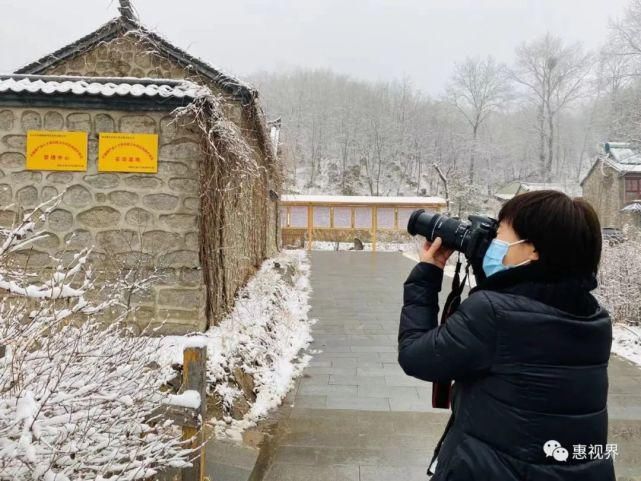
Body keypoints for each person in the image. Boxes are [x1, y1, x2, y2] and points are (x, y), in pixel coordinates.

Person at [397, 190, 615, 481]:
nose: (493, 243)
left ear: (533, 249)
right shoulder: (594, 318)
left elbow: (416, 356)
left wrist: (427, 275)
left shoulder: (493, 315)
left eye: (500, 234)